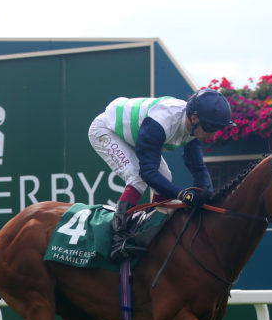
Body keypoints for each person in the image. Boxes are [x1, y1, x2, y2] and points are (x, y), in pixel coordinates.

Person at [88, 88, 233, 260]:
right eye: (211, 128)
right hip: (106, 130)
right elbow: (148, 173)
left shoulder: (193, 124)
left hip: (135, 135)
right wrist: (182, 195)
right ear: (194, 118)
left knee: (166, 179)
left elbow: (198, 167)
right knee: (137, 177)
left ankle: (151, 230)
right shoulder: (162, 122)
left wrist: (205, 190)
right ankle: (118, 238)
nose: (213, 134)